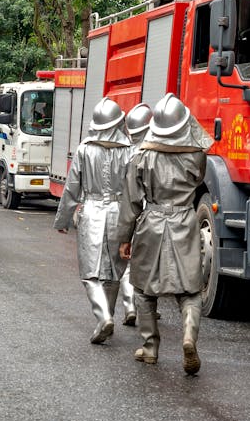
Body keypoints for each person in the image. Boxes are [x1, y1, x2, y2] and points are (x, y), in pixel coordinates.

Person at [119, 93, 210, 375]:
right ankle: (188, 338)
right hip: (185, 219)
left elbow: (131, 200)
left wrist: (125, 236)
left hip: (152, 222)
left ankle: (150, 347)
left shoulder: (142, 155)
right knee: (190, 288)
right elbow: (198, 181)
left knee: (144, 288)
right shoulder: (197, 155)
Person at [54, 98, 132, 344]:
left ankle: (103, 317)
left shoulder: (85, 149)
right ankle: (107, 315)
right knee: (113, 272)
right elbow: (134, 189)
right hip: (120, 212)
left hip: (92, 211)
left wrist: (63, 219)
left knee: (90, 273)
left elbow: (71, 188)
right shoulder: (130, 150)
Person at [118, 102, 153, 327]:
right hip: (152, 214)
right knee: (150, 263)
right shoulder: (153, 153)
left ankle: (130, 306)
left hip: (130, 212)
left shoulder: (126, 153)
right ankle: (146, 308)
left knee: (128, 263)